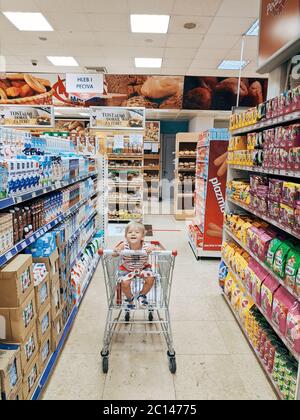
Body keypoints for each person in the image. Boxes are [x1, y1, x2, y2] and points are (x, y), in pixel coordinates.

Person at [114, 222, 156, 309]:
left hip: (142, 268)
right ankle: (130, 298)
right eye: (130, 232)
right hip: (127, 269)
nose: (133, 234)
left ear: (142, 237)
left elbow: (154, 247)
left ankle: (142, 295)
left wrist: (152, 248)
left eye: (137, 232)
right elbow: (114, 254)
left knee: (151, 279)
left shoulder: (145, 246)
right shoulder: (123, 245)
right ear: (126, 236)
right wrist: (116, 251)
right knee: (124, 283)